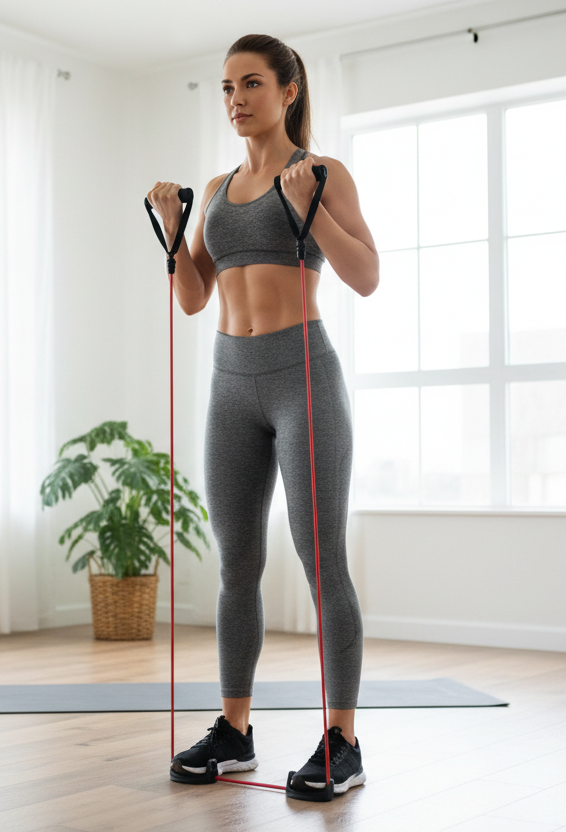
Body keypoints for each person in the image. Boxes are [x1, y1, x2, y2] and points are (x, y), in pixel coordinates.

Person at [146, 33, 379, 797]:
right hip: (229, 384)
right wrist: (173, 232)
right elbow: (192, 297)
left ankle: (342, 741)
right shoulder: (217, 189)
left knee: (321, 560)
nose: (236, 99)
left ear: (288, 92)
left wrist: (311, 209)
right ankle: (234, 731)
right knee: (236, 564)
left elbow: (366, 275)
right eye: (226, 87)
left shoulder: (320, 173)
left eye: (251, 83)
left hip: (302, 375)